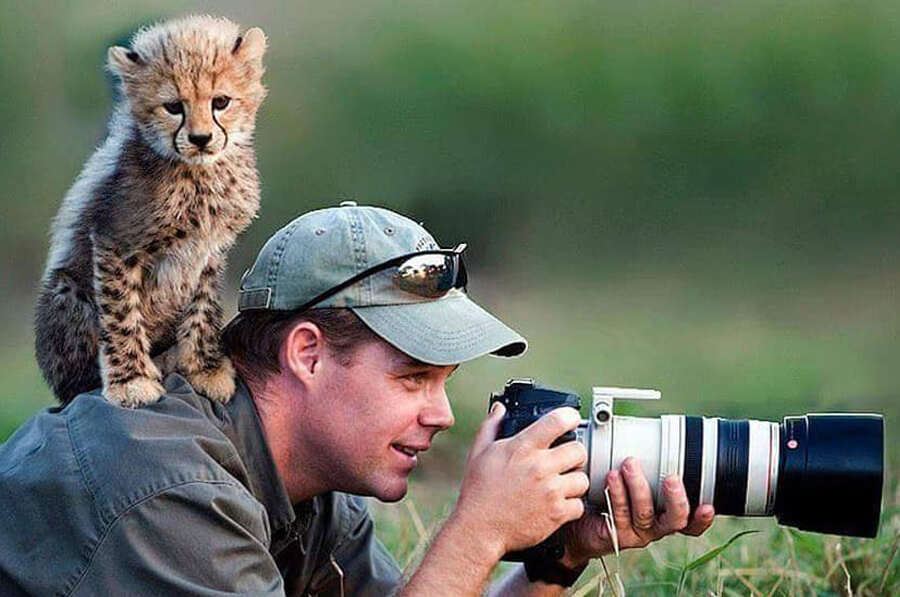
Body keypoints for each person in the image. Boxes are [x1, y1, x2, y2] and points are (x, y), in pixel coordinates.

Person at [0, 202, 715, 596]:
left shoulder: (311, 495)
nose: (441, 414)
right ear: (306, 353)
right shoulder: (164, 490)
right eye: (413, 378)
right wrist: (476, 535)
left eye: (444, 381)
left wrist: (550, 560)